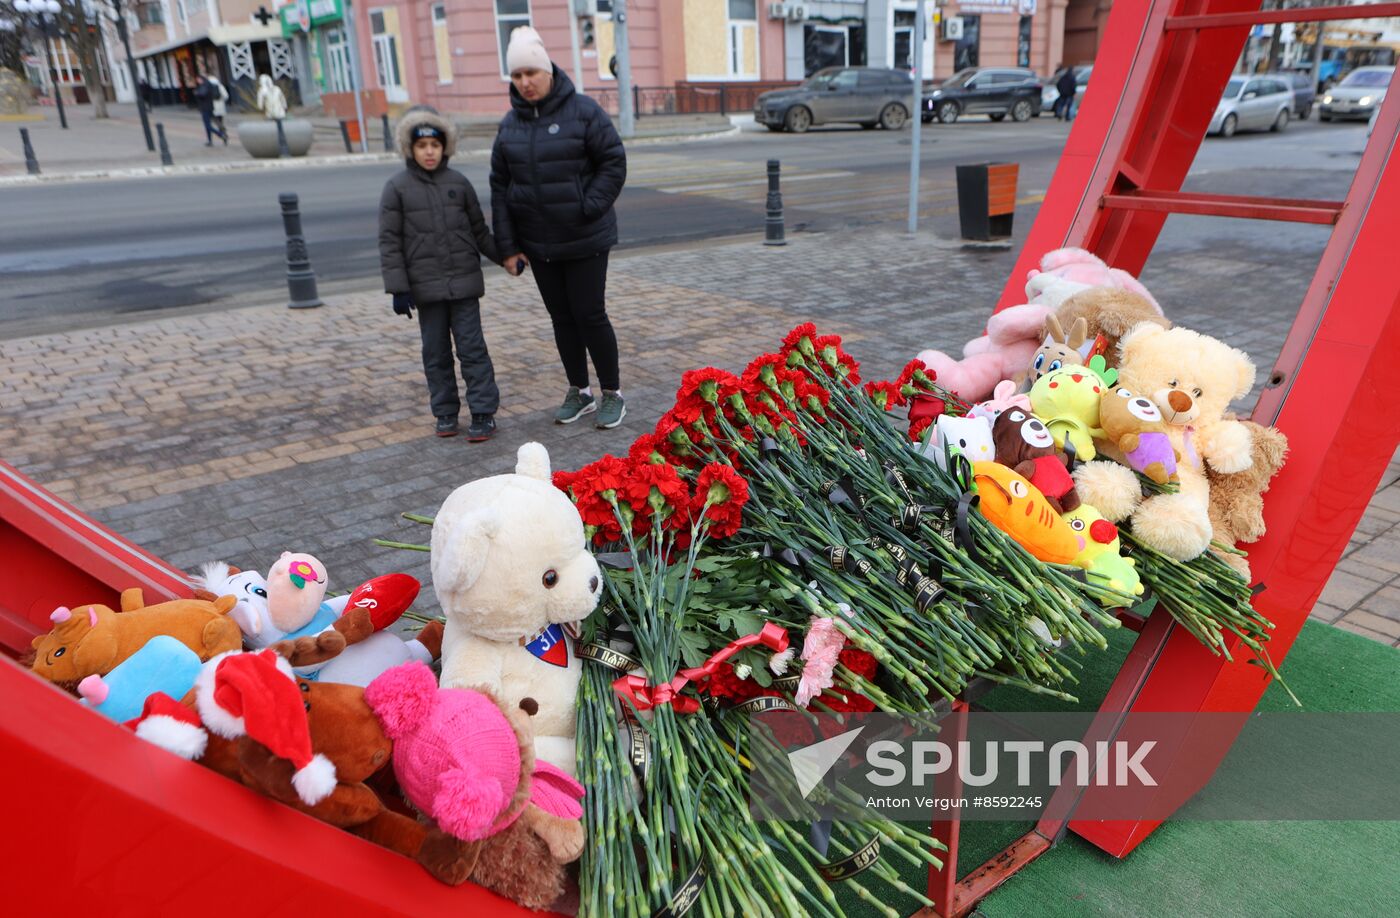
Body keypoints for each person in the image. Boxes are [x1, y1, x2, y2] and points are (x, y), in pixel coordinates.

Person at [490, 27, 628, 429]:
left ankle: (612, 394)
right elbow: (500, 187)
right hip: (539, 242)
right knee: (562, 318)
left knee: (590, 314)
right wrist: (508, 246)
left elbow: (613, 162)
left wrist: (590, 205)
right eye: (516, 76)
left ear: (548, 68)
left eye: (531, 72)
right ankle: (579, 391)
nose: (525, 82)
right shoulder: (509, 126)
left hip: (586, 237)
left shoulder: (583, 111)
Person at [379, 108, 505, 441]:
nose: (429, 152)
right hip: (425, 289)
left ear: (445, 147)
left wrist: (506, 257)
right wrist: (398, 289)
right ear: (411, 149)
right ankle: (446, 411)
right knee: (435, 353)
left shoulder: (459, 184)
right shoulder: (397, 188)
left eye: (435, 145)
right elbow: (390, 242)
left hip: (464, 284)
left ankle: (482, 411)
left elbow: (479, 231)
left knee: (472, 349)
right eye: (422, 147)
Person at [192, 75, 228, 145]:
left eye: (198, 80)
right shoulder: (217, 86)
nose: (198, 81)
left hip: (207, 107)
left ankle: (221, 135)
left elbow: (202, 94)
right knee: (218, 123)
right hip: (218, 108)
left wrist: (196, 93)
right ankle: (218, 137)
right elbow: (226, 96)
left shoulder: (205, 86)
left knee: (208, 125)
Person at [208, 74, 230, 144]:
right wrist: (222, 100)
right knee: (220, 120)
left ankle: (223, 132)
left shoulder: (209, 87)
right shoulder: (220, 86)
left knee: (215, 120)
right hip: (220, 107)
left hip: (212, 107)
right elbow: (226, 96)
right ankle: (223, 133)